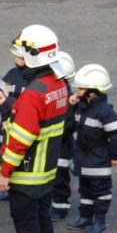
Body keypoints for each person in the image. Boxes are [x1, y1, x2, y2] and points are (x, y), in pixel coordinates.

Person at [0, 24, 68, 233]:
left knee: (26, 227)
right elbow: (37, 114)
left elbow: (21, 139)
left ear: (35, 56)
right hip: (47, 171)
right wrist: (10, 103)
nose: (17, 61)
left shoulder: (35, 92)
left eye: (21, 56)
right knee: (43, 222)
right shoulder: (58, 83)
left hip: (26, 173)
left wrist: (4, 172)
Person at [65, 63, 117, 233]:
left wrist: (113, 156)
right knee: (85, 189)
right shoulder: (83, 107)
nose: (76, 90)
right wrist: (72, 105)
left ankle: (100, 221)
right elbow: (69, 125)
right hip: (83, 157)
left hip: (98, 158)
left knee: (100, 192)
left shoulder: (105, 112)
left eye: (81, 88)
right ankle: (86, 217)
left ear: (93, 91)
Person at [0, 40, 30, 203]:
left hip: (23, 126)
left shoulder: (32, 79)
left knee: (24, 159)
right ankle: (5, 188)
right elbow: (0, 98)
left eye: (21, 55)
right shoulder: (11, 75)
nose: (17, 57)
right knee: (4, 155)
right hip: (6, 125)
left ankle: (21, 190)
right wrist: (6, 119)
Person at [49, 51, 77, 219]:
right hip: (53, 142)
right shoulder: (56, 92)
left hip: (62, 145)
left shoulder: (68, 98)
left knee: (59, 177)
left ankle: (60, 206)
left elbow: (68, 125)